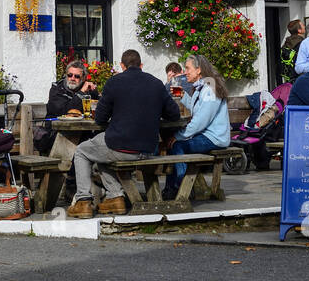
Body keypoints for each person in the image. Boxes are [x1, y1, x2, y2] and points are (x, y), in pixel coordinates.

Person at [67, 49, 179, 218]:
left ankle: (83, 201)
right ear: (141, 65)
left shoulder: (114, 82)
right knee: (101, 154)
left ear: (122, 66)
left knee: (82, 151)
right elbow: (174, 114)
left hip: (120, 145)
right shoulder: (156, 83)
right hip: (149, 148)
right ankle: (115, 197)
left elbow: (100, 119)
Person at [162, 56, 231, 200]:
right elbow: (196, 109)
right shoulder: (203, 86)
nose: (185, 72)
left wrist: (179, 136)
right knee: (172, 143)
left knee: (177, 145)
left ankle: (180, 190)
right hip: (205, 135)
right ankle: (171, 189)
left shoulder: (210, 87)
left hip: (214, 138)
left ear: (199, 70)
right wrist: (181, 94)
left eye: (188, 68)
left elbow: (201, 120)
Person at [35, 60, 101, 155]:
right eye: (70, 75)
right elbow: (65, 112)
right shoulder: (57, 89)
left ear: (83, 79)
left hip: (83, 133)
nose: (72, 78)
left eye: (77, 76)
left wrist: (96, 93)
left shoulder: (88, 90)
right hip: (57, 134)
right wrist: (81, 93)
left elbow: (99, 107)